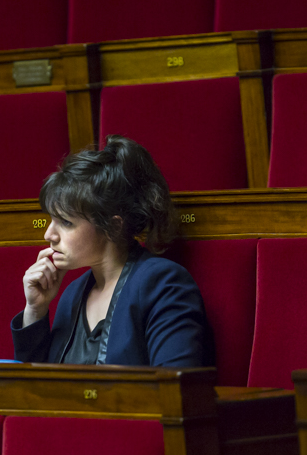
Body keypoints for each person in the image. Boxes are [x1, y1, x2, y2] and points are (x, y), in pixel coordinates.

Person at [11, 135, 214, 366]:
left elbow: (175, 391)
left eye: (65, 222)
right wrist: (35, 310)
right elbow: (37, 390)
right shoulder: (71, 294)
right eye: (51, 220)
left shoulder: (162, 284)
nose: (48, 235)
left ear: (113, 226)